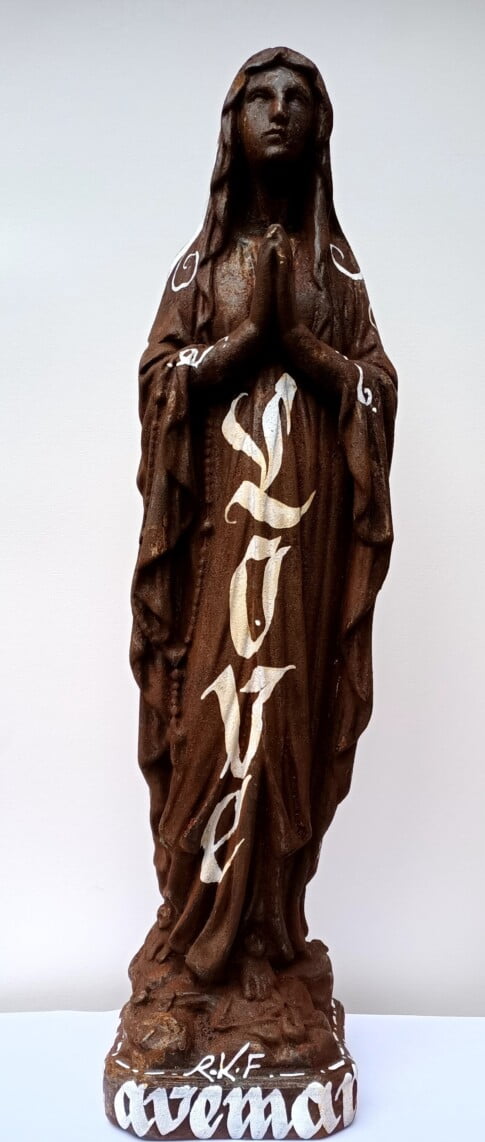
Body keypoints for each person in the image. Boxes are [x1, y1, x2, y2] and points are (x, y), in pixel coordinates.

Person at [129, 47, 397, 1014]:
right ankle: (195, 929)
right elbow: (158, 380)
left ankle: (270, 939)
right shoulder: (200, 268)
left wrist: (306, 348)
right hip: (221, 545)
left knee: (287, 719)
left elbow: (375, 386)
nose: (279, 111)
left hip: (304, 542)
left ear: (319, 128)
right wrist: (242, 345)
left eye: (297, 99)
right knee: (210, 721)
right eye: (261, 97)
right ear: (233, 125)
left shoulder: (337, 273)